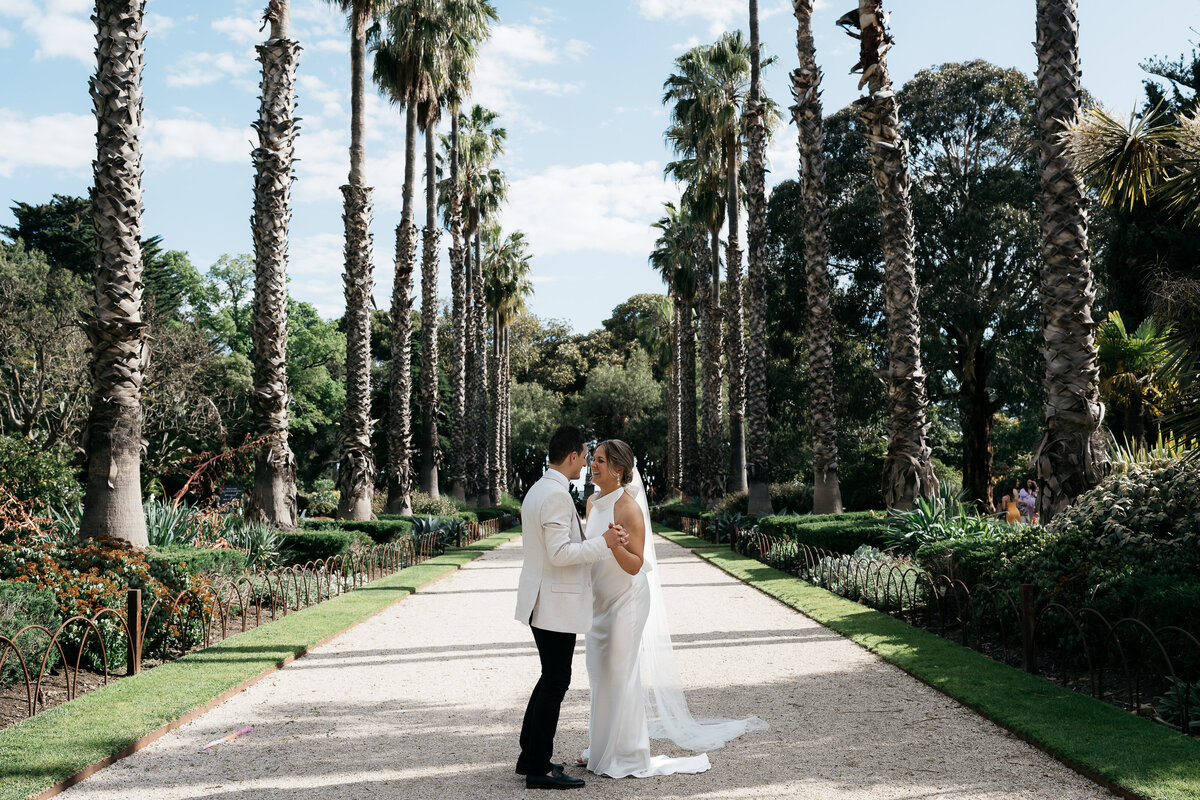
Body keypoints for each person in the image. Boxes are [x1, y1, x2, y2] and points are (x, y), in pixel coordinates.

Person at [579, 439, 766, 779]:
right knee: (598, 672)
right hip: (598, 604)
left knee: (621, 674)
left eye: (601, 461)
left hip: (626, 601)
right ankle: (600, 749)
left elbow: (635, 564)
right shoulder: (592, 502)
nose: (594, 465)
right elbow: (591, 550)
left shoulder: (628, 508)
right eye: (594, 460)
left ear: (619, 469)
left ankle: (627, 754)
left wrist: (616, 546)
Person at [514, 426, 628, 790]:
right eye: (584, 456)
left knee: (550, 676)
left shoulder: (540, 489)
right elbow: (560, 553)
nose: (586, 464)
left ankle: (528, 756)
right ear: (573, 456)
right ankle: (539, 769)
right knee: (556, 680)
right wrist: (605, 543)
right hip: (552, 604)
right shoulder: (555, 496)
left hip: (544, 600)